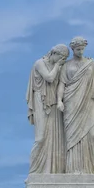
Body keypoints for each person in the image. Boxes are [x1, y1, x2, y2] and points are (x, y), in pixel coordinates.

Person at [57, 37, 94, 174]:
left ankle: (92, 170)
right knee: (72, 139)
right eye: (78, 49)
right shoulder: (66, 66)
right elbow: (62, 85)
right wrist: (59, 100)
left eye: (82, 49)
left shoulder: (91, 64)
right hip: (71, 102)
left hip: (89, 101)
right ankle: (73, 169)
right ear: (73, 50)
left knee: (93, 135)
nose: (81, 51)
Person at [26, 44, 69, 174]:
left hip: (54, 102)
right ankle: (34, 171)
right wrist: (57, 66)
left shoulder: (60, 67)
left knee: (56, 137)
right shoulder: (39, 63)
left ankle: (52, 170)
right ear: (54, 54)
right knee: (40, 138)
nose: (63, 61)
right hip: (41, 100)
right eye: (62, 58)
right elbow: (49, 78)